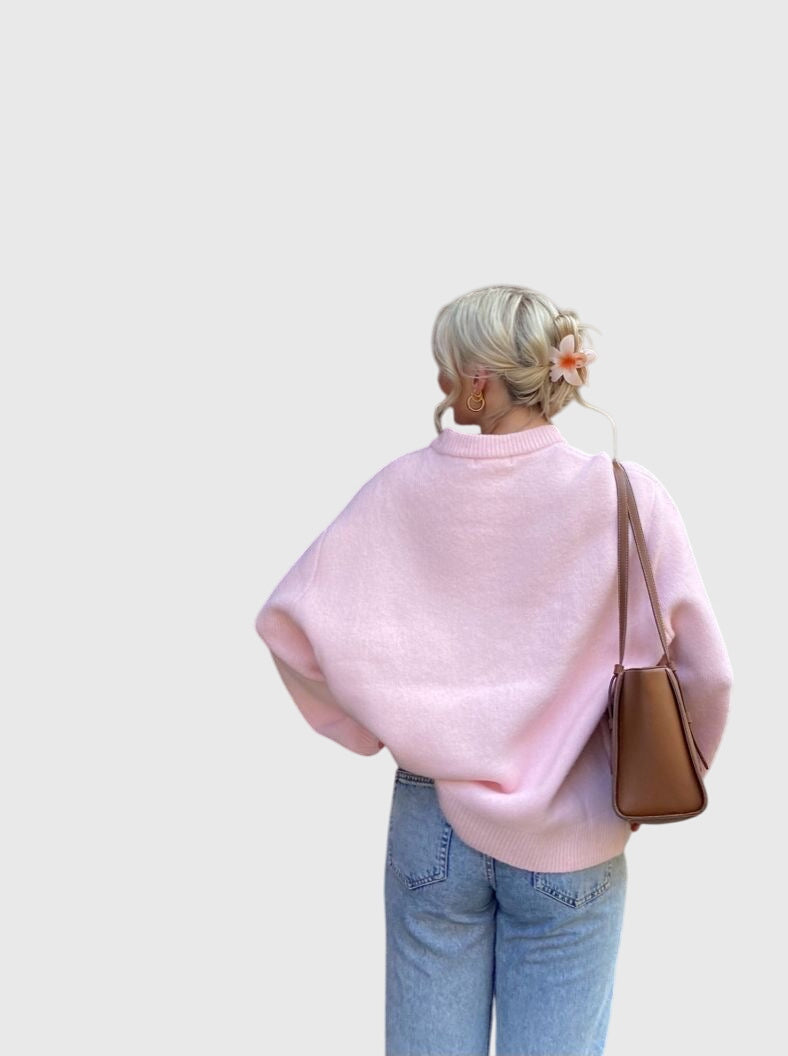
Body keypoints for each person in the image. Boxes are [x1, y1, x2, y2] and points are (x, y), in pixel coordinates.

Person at [254, 283, 734, 1056]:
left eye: (445, 367)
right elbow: (707, 675)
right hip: (576, 819)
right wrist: (657, 783)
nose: (439, 384)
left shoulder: (399, 489)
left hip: (432, 817)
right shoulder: (626, 495)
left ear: (479, 380)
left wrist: (371, 728)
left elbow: (287, 627)